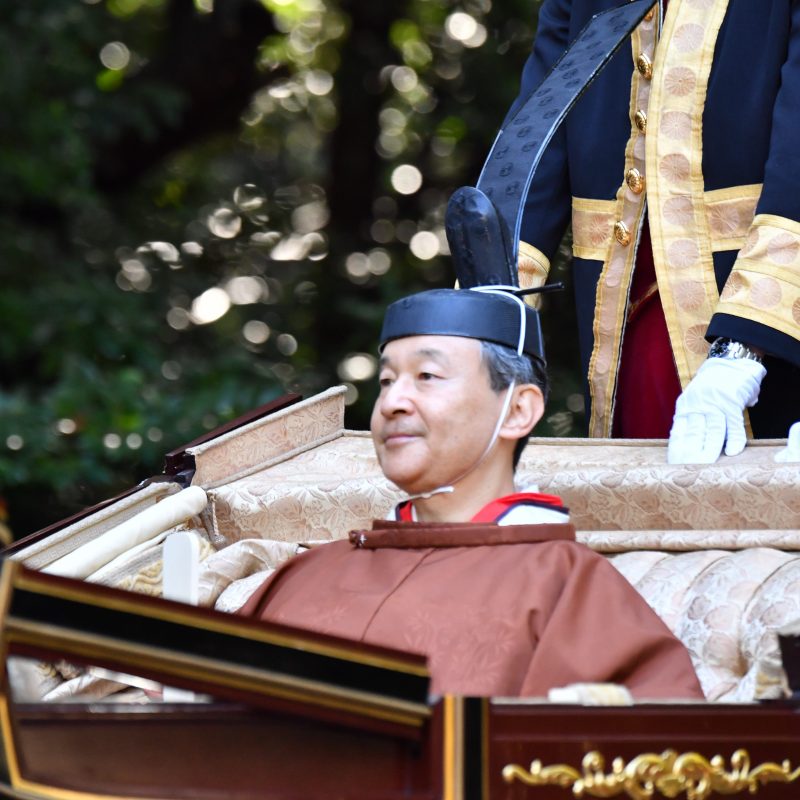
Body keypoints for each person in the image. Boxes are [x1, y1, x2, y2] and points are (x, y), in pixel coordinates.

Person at [241, 287, 703, 700]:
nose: (392, 402)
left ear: (518, 410)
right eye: (386, 381)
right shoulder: (309, 571)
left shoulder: (568, 586)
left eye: (427, 376)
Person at [513, 1, 800, 463]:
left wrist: (742, 349)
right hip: (625, 326)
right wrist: (489, 309)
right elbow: (536, 135)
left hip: (767, 333)